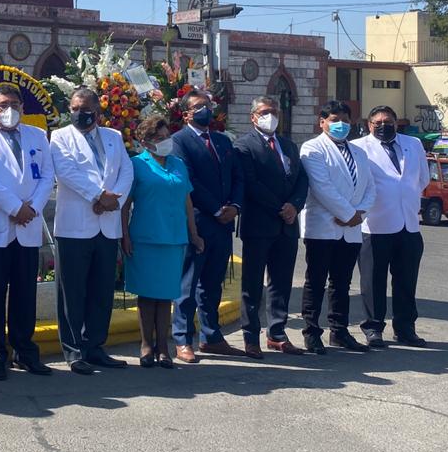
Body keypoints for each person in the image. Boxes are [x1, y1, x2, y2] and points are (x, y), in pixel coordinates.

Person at [0, 83, 55, 381]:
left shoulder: (38, 136)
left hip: (28, 226)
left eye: (15, 104)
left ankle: (24, 351)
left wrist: (33, 207)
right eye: (3, 104)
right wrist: (16, 208)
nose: (9, 110)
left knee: (24, 293)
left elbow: (46, 176)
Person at [49, 87, 134, 374]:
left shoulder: (113, 137)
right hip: (75, 227)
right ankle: (74, 351)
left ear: (96, 112)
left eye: (84, 109)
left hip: (107, 227)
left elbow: (126, 171)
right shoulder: (60, 137)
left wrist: (115, 198)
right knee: (72, 291)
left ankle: (95, 346)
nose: (78, 113)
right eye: (73, 108)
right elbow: (65, 172)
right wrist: (99, 195)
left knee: (101, 291)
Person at [120, 114, 202, 368]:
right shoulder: (137, 165)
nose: (165, 141)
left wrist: (194, 233)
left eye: (167, 137)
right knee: (147, 295)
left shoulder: (178, 164)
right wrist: (125, 236)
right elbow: (125, 205)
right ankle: (146, 345)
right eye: (159, 138)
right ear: (146, 142)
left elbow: (187, 202)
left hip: (174, 237)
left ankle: (164, 347)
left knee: (166, 294)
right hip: (145, 238)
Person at [170, 88, 244, 363]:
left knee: (213, 283)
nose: (206, 110)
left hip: (224, 224)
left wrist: (235, 207)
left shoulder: (223, 141)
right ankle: (182, 339)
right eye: (199, 107)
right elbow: (189, 181)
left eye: (208, 105)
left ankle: (212, 336)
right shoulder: (179, 141)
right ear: (187, 113)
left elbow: (238, 176)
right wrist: (215, 209)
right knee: (188, 284)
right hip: (198, 221)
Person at [234, 96, 309, 357]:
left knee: (281, 282)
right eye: (265, 112)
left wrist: (295, 205)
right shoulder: (244, 146)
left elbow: (302, 180)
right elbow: (251, 184)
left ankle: (277, 333)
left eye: (274, 111)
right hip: (260, 224)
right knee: (253, 284)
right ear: (253, 116)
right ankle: (251, 336)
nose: (271, 116)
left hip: (287, 226)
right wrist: (280, 207)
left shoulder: (289, 145)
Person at [298, 101, 375, 355]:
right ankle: (311, 332)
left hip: (351, 228)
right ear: (322, 122)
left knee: (342, 283)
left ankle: (339, 331)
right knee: (316, 281)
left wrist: (359, 214)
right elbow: (322, 187)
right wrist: (348, 213)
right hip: (323, 226)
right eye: (333, 119)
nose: (339, 124)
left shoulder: (359, 152)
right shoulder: (313, 148)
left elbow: (370, 188)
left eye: (344, 119)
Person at [353, 106, 431, 348]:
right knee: (373, 281)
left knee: (406, 281)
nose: (383, 125)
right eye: (377, 122)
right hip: (375, 225)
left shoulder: (413, 144)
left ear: (396, 123)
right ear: (369, 125)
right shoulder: (359, 147)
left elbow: (423, 179)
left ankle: (406, 329)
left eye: (388, 121)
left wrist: (404, 196)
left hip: (408, 224)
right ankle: (373, 328)